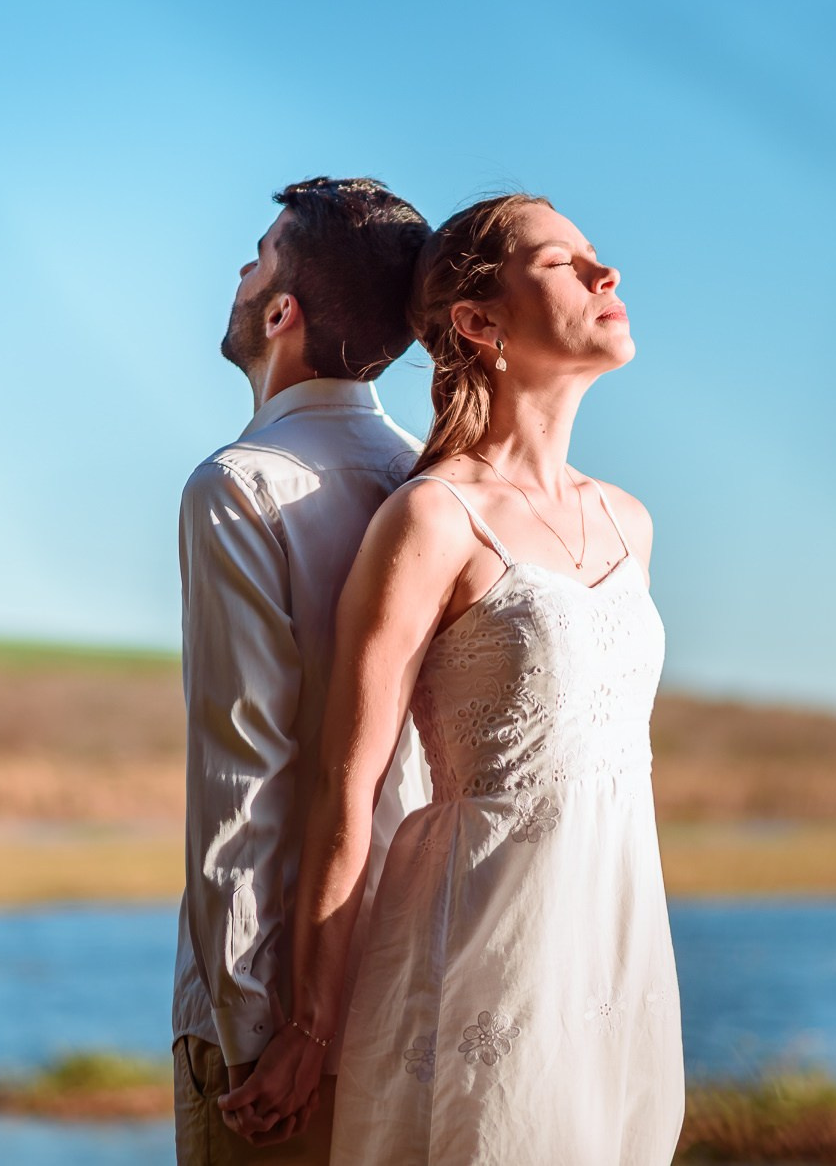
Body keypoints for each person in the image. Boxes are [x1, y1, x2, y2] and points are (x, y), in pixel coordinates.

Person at [221, 194, 684, 1164]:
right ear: (476, 321)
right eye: (560, 262)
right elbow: (345, 786)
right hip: (480, 960)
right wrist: (308, 1024)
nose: (604, 274)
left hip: (616, 957)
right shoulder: (431, 517)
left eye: (595, 255)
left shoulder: (629, 521)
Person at [173, 176, 434, 1165]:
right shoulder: (434, 481)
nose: (239, 274)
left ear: (281, 311)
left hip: (280, 1025)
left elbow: (244, 772)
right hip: (415, 997)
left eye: (256, 258)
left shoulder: (239, 488)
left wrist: (251, 1029)